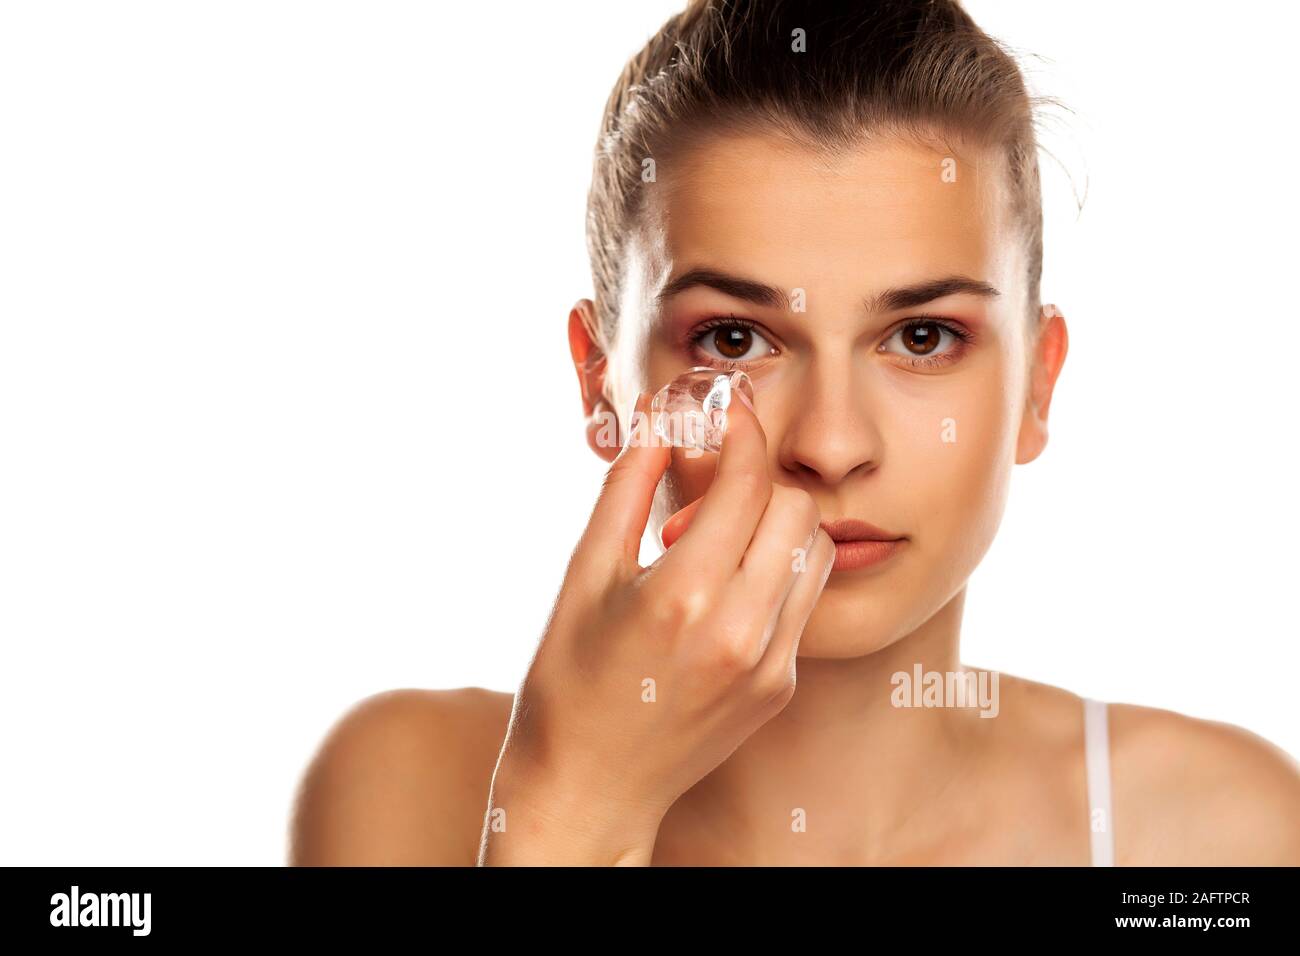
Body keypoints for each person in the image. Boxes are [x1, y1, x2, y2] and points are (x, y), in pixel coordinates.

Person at [289, 0, 1300, 866]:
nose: (830, 442)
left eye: (921, 335)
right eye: (735, 337)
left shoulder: (1215, 832)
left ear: (1037, 382)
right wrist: (569, 811)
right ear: (601, 382)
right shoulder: (406, 790)